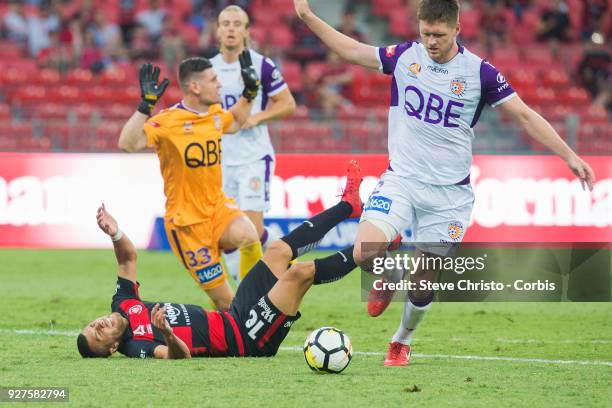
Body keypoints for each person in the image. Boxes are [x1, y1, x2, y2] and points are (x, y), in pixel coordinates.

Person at [293, 0, 596, 366]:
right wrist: (309, 17)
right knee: (364, 253)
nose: (431, 42)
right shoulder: (405, 56)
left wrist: (569, 156)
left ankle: (401, 340)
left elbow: (525, 116)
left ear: (456, 30)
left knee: (423, 279)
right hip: (402, 179)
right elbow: (353, 51)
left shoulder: (480, 73)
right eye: (426, 34)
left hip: (449, 194)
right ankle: (389, 272)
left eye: (438, 34)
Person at [76, 161, 363, 359]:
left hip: (235, 314)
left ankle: (347, 206)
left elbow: (127, 259)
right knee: (299, 273)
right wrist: (166, 334)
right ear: (112, 347)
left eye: (91, 327)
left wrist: (115, 233)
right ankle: (373, 248)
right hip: (246, 339)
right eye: (98, 336)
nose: (97, 326)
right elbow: (177, 357)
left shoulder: (122, 303)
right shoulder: (135, 345)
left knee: (277, 251)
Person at [117, 54, 262, 311]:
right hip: (187, 225)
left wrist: (250, 92)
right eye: (213, 79)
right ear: (195, 87)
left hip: (217, 209)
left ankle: (253, 302)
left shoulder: (215, 114)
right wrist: (144, 106)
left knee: (249, 235)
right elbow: (128, 144)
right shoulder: (168, 122)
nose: (219, 84)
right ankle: (230, 313)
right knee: (226, 305)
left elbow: (237, 120)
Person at [211, 5, 296, 283]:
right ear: (218, 30)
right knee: (227, 235)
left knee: (250, 230)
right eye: (226, 23)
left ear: (247, 31)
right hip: (220, 161)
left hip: (253, 158)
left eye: (237, 24)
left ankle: (255, 286)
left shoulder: (261, 65)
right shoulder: (208, 70)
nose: (231, 28)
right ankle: (280, 252)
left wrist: (257, 117)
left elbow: (287, 104)